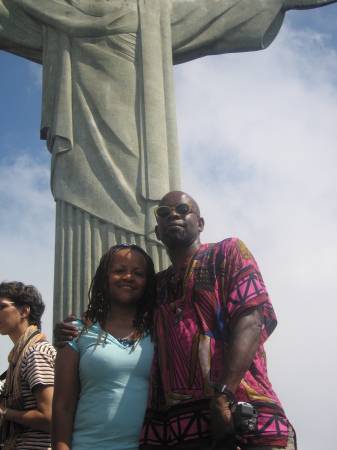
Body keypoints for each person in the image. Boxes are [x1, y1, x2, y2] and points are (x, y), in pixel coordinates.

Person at [1, 0, 336, 323]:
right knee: (83, 277)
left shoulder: (151, 9)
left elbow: (217, 10)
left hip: (146, 164)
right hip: (81, 160)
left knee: (154, 259)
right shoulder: (54, 7)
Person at [55, 191, 296, 449]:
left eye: (183, 208)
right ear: (157, 232)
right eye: (163, 212)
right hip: (182, 434)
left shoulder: (227, 252)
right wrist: (74, 329)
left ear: (200, 223)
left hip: (244, 418)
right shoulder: (156, 287)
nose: (173, 214)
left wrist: (223, 397)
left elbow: (251, 321)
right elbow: (119, 317)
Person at [51, 243, 157, 450]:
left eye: (138, 273)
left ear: (148, 282)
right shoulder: (76, 331)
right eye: (119, 271)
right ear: (104, 277)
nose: (128, 277)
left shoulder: (160, 332)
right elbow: (63, 405)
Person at [0, 281, 55, 450]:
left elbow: (50, 417)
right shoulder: (19, 357)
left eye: (1, 306)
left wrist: (5, 413)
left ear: (24, 311)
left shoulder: (35, 352)